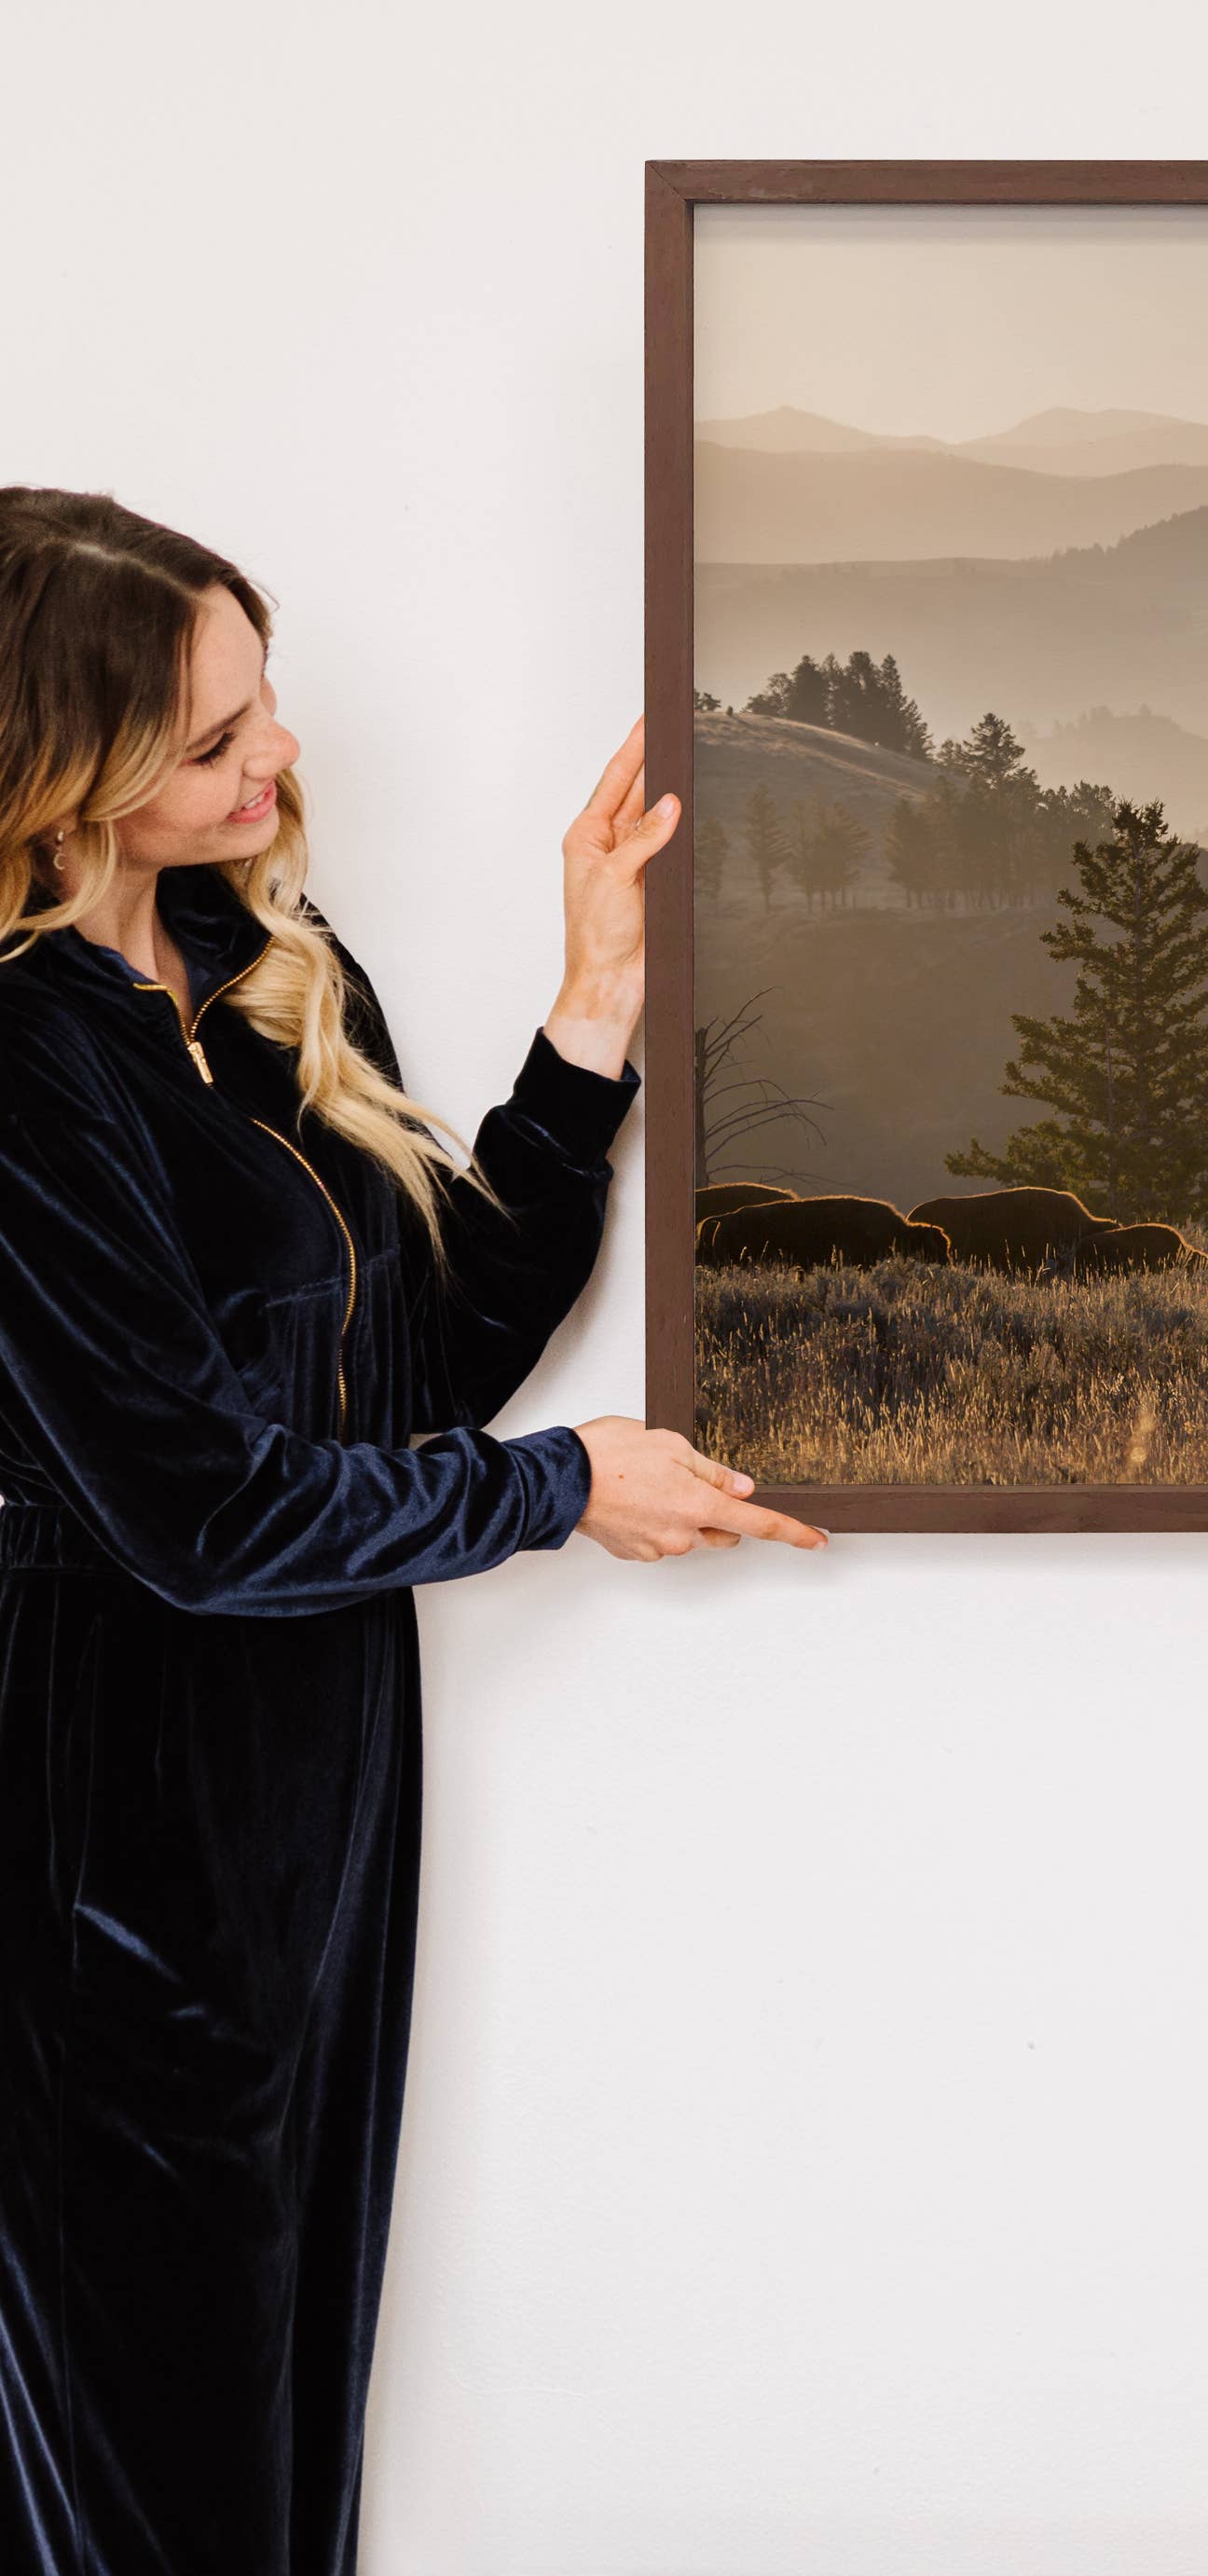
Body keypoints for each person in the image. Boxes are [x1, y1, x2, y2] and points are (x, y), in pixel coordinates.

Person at [0, 487, 824, 2576]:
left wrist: (596, 1007)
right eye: (213, 741)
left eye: (265, 703)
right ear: (56, 769)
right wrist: (564, 1493)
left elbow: (423, 1355)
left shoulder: (254, 960)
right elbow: (194, 1513)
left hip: (307, 1809)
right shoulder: (18, 1068)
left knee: (274, 2439)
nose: (276, 763)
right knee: (148, 2474)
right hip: (94, 1842)